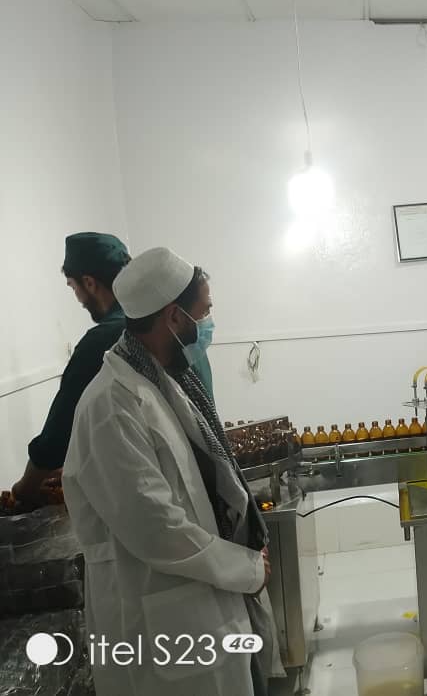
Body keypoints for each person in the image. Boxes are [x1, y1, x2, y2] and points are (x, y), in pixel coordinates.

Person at [62, 247, 278, 696]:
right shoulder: (110, 407)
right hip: (157, 625)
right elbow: (156, 528)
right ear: (175, 317)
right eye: (205, 312)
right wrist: (243, 567)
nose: (209, 324)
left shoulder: (162, 382)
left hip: (199, 612)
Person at [11, 232, 130, 507]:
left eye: (73, 286)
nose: (77, 298)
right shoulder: (159, 325)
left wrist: (24, 489)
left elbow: (57, 436)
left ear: (89, 283)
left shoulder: (101, 341)